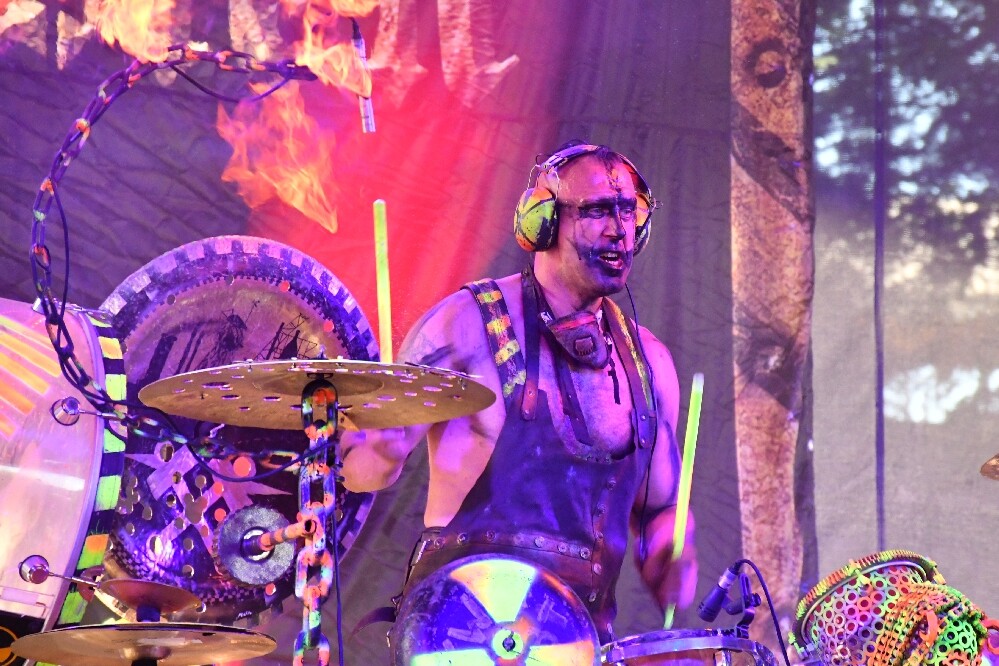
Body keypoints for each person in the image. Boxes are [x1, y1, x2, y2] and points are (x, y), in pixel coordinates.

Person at [339, 141, 697, 643]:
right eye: (597, 210)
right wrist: (374, 444)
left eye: (629, 211)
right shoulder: (463, 327)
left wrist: (670, 548)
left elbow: (661, 509)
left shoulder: (649, 364)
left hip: (574, 648)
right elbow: (362, 473)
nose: (620, 230)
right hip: (457, 641)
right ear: (540, 222)